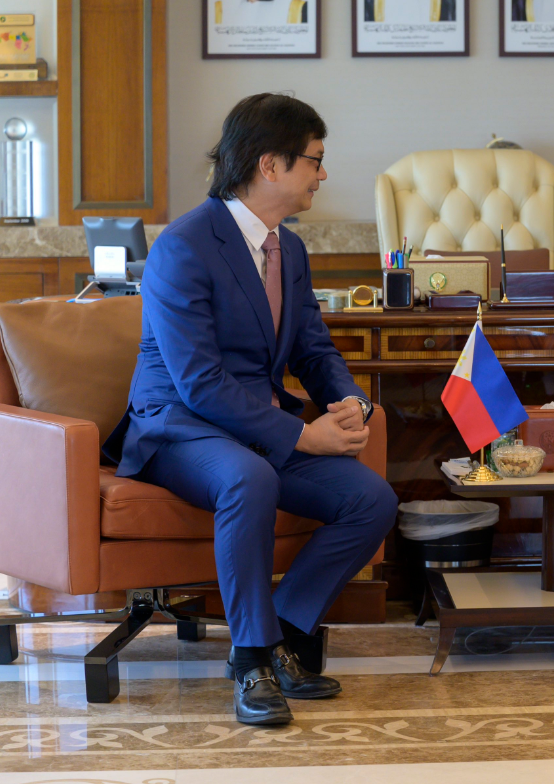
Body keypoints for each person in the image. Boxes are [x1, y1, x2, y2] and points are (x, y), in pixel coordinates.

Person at [104, 94, 397, 725]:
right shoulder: (184, 246)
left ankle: (282, 633)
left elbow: (314, 348)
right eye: (314, 160)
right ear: (270, 164)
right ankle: (251, 659)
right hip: (181, 428)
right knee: (248, 477)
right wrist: (304, 436)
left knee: (371, 500)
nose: (322, 174)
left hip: (257, 430)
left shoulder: (289, 250)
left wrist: (349, 402)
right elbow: (199, 382)